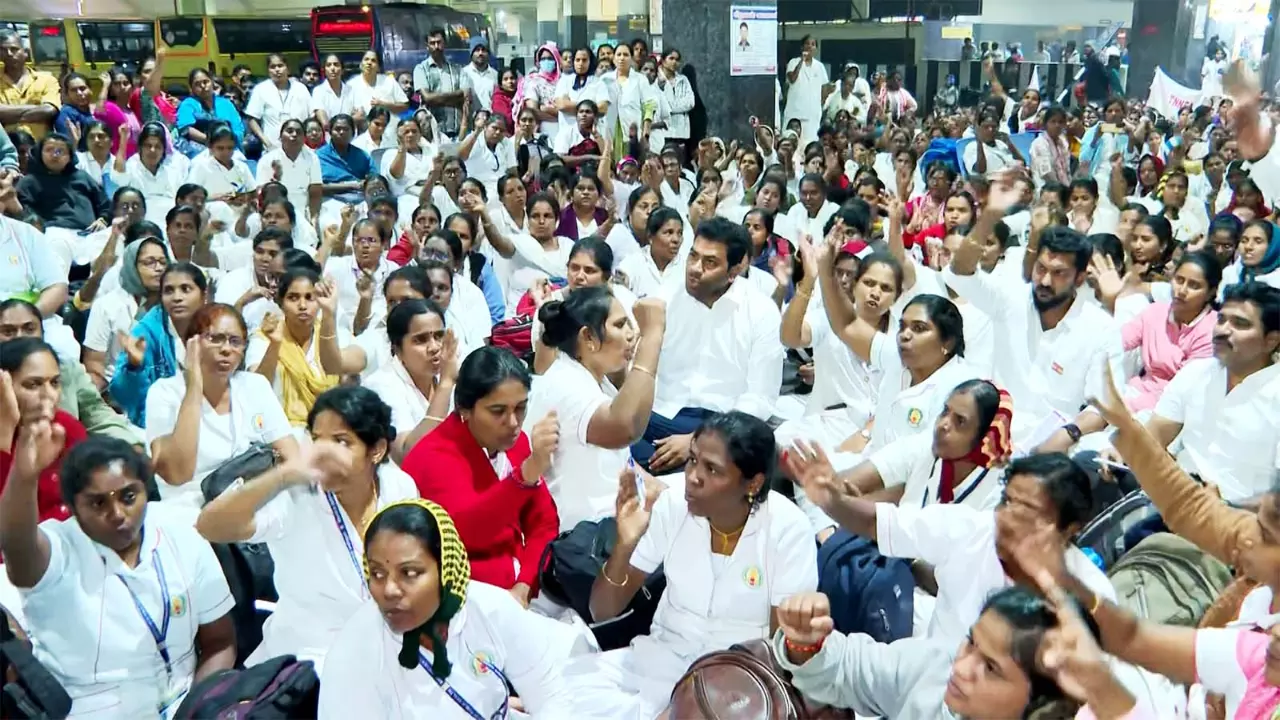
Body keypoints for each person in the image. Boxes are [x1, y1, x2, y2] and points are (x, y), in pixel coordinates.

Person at [560, 412, 818, 718]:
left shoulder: (788, 529)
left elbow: (779, 657)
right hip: (658, 659)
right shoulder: (671, 505)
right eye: (692, 460)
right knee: (556, 695)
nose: (693, 476)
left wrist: (687, 707)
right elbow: (601, 610)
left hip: (738, 684)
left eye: (712, 469)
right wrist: (625, 545)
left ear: (753, 483)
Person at [0, 434, 236, 716]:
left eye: (128, 497)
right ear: (73, 507)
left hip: (185, 704)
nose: (117, 514)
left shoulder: (179, 532)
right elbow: (16, 545)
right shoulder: (57, 552)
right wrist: (25, 477)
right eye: (98, 504)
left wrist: (197, 709)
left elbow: (220, 643)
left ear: (145, 490)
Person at [196, 384, 416, 673]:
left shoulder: (398, 485)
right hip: (309, 657)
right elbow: (209, 526)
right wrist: (284, 475)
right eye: (316, 440)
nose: (323, 453)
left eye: (341, 441)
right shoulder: (295, 495)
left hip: (385, 641)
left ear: (376, 450)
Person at [318, 499, 582, 717]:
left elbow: (549, 695)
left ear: (446, 571)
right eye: (377, 573)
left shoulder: (491, 610)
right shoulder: (355, 651)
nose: (389, 590)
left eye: (409, 572)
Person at [945, 173, 1123, 448]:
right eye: (1041, 269)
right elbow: (960, 273)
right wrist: (989, 216)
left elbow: (1103, 405)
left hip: (1056, 449)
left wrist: (1066, 435)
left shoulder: (1100, 328)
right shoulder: (1010, 298)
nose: (1046, 281)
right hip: (992, 435)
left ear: (1079, 278)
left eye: (1059, 273)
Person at [399, 346, 559, 600]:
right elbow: (468, 535)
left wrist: (525, 585)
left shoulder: (518, 443)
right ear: (465, 408)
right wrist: (524, 476)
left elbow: (545, 523)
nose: (513, 423)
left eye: (520, 408)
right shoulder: (431, 456)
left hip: (524, 588)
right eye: (498, 411)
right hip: (461, 598)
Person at [632, 217, 783, 472]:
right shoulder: (668, 294)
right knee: (611, 445)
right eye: (693, 256)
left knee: (719, 469)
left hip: (723, 426)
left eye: (709, 262)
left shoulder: (760, 311)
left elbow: (760, 399)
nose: (694, 268)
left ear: (734, 271)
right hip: (660, 414)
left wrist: (697, 441)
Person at [527, 288, 665, 530]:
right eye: (620, 325)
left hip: (614, 517)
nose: (631, 334)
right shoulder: (566, 385)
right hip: (587, 536)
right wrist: (652, 337)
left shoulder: (589, 377)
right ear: (588, 338)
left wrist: (654, 487)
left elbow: (623, 457)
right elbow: (625, 429)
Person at [145, 304, 298, 510]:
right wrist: (194, 385)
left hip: (252, 502)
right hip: (188, 508)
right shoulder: (164, 392)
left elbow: (292, 456)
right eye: (215, 338)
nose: (226, 349)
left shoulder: (254, 385)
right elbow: (176, 475)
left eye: (235, 342)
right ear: (191, 342)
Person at [0, 299, 135, 445]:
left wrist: (130, 446)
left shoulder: (67, 369)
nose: (20, 337)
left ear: (43, 332)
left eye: (29, 329)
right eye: (8, 331)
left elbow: (96, 413)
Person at [247, 268, 366, 426]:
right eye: (293, 298)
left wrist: (329, 313)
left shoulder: (334, 334)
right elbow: (256, 389)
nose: (302, 305)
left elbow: (355, 370)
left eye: (310, 297)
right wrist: (275, 345)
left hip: (329, 426)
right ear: (281, 302)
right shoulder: (264, 336)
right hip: (278, 430)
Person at [0, 338, 88, 524]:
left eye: (54, 383)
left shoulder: (67, 428)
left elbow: (86, 504)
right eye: (33, 385)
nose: (48, 395)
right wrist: (4, 436)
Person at [109, 262, 208, 428]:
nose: (177, 297)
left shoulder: (215, 326)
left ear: (204, 295)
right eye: (169, 290)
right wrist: (134, 366)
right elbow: (123, 396)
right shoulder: (145, 333)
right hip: (156, 424)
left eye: (185, 289)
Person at [362, 298, 457, 461]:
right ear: (397, 348)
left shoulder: (449, 370)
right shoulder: (380, 386)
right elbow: (408, 455)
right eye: (420, 340)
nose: (434, 347)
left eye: (439, 336)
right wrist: (446, 385)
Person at [82, 233, 169, 388]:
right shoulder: (107, 305)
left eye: (163, 262)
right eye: (150, 262)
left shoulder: (175, 304)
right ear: (132, 266)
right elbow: (94, 363)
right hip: (116, 387)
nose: (159, 268)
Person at [15, 133, 110, 232]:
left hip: (91, 231)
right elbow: (25, 211)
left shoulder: (83, 177)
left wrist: (103, 220)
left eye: (60, 151)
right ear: (40, 153)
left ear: (70, 156)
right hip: (53, 232)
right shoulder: (29, 182)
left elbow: (105, 204)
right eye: (49, 150)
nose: (55, 155)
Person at [109, 122, 191, 227]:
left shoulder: (172, 170)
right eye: (148, 146)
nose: (152, 150)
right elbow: (118, 174)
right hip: (141, 225)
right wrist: (124, 139)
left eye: (157, 147)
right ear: (140, 147)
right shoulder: (132, 166)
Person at [256, 118, 322, 224]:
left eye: (299, 132)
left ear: (304, 137)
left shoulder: (312, 158)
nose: (294, 134)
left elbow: (315, 193)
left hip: (303, 210)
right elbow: (261, 195)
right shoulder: (267, 160)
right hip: (277, 211)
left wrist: (314, 218)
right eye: (289, 131)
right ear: (280, 136)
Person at [244, 54, 311, 154]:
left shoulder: (301, 89)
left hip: (300, 148)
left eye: (280, 66)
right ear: (268, 70)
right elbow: (252, 119)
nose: (277, 70)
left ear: (287, 68)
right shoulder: (261, 89)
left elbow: (311, 116)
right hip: (272, 149)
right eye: (272, 67)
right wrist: (267, 143)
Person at [0, 29, 59, 140]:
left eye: (14, 49)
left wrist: (8, 115)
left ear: (26, 52)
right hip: (7, 149)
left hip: (41, 148)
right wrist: (36, 109)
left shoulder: (46, 79)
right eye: (3, 50)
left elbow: (49, 110)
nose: (9, 54)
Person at [348, 50, 410, 150]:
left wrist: (384, 105)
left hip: (390, 138)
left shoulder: (389, 81)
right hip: (363, 142)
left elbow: (404, 106)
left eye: (373, 60)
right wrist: (357, 118)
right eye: (366, 59)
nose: (369, 63)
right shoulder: (351, 85)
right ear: (360, 64)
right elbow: (346, 116)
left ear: (378, 66)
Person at [175, 68, 244, 157]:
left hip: (229, 147)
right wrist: (211, 141)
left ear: (212, 82)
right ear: (192, 88)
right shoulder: (188, 104)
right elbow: (185, 129)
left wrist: (228, 142)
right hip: (200, 149)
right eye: (197, 84)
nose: (203, 86)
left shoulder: (226, 104)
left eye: (205, 82)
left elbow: (238, 128)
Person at [412, 28, 466, 139]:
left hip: (456, 130)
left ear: (444, 43)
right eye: (432, 43)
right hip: (432, 133)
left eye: (439, 42)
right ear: (427, 46)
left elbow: (464, 95)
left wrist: (437, 98)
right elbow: (427, 98)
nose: (436, 46)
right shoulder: (421, 69)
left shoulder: (457, 69)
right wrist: (454, 97)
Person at [783, 35, 828, 144]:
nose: (809, 46)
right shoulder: (793, 62)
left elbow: (825, 89)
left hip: (812, 114)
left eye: (813, 44)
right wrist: (801, 61)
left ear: (815, 49)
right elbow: (792, 78)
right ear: (801, 47)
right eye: (807, 43)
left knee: (810, 144)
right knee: (790, 143)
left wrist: (819, 105)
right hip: (794, 112)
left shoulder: (820, 66)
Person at [655, 49, 693, 152]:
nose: (674, 62)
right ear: (663, 61)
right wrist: (677, 106)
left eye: (677, 59)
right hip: (663, 132)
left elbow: (690, 103)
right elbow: (657, 105)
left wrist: (668, 107)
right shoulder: (655, 79)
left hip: (681, 132)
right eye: (671, 58)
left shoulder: (683, 79)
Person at [310, 54, 355, 129]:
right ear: (324, 70)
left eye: (336, 65)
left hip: (350, 137)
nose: (332, 68)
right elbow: (324, 122)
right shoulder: (318, 91)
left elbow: (358, 116)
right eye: (328, 65)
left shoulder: (352, 90)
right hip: (328, 137)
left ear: (342, 70)